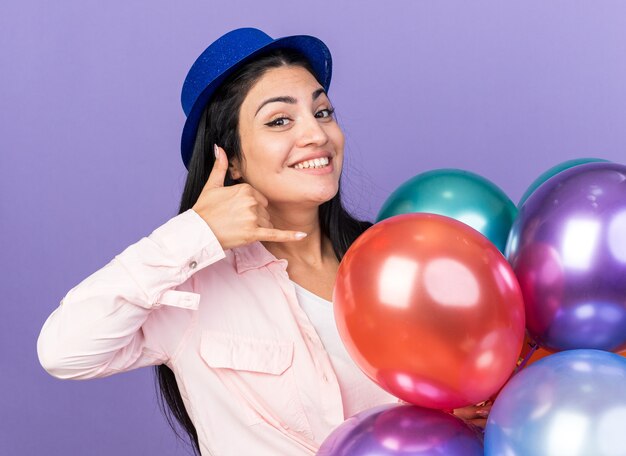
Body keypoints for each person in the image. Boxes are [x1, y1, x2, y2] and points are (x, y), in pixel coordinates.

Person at [37, 27, 488, 456]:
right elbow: (64, 350)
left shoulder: (396, 264)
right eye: (279, 120)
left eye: (322, 111)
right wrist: (197, 232)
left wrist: (453, 418)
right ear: (229, 159)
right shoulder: (188, 290)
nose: (315, 134)